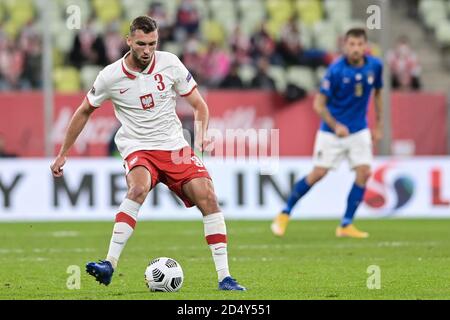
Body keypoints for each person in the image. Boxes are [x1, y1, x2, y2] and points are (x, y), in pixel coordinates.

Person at [50, 16, 246, 291]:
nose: (146, 50)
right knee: (137, 189)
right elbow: (84, 111)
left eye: (152, 44)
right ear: (128, 40)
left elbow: (199, 105)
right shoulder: (110, 76)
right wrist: (63, 153)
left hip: (175, 147)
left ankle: (225, 277)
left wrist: (201, 135)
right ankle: (109, 264)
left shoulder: (170, 63)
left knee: (209, 198)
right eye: (141, 43)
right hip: (138, 147)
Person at [271, 28, 383, 238]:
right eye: (352, 44)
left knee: (364, 172)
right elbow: (318, 105)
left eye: (360, 44)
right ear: (345, 46)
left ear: (365, 46)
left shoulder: (375, 66)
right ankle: (285, 212)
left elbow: (378, 94)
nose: (356, 49)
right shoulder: (335, 70)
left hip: (359, 129)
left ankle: (346, 224)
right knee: (318, 174)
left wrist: (379, 126)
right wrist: (336, 125)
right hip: (332, 132)